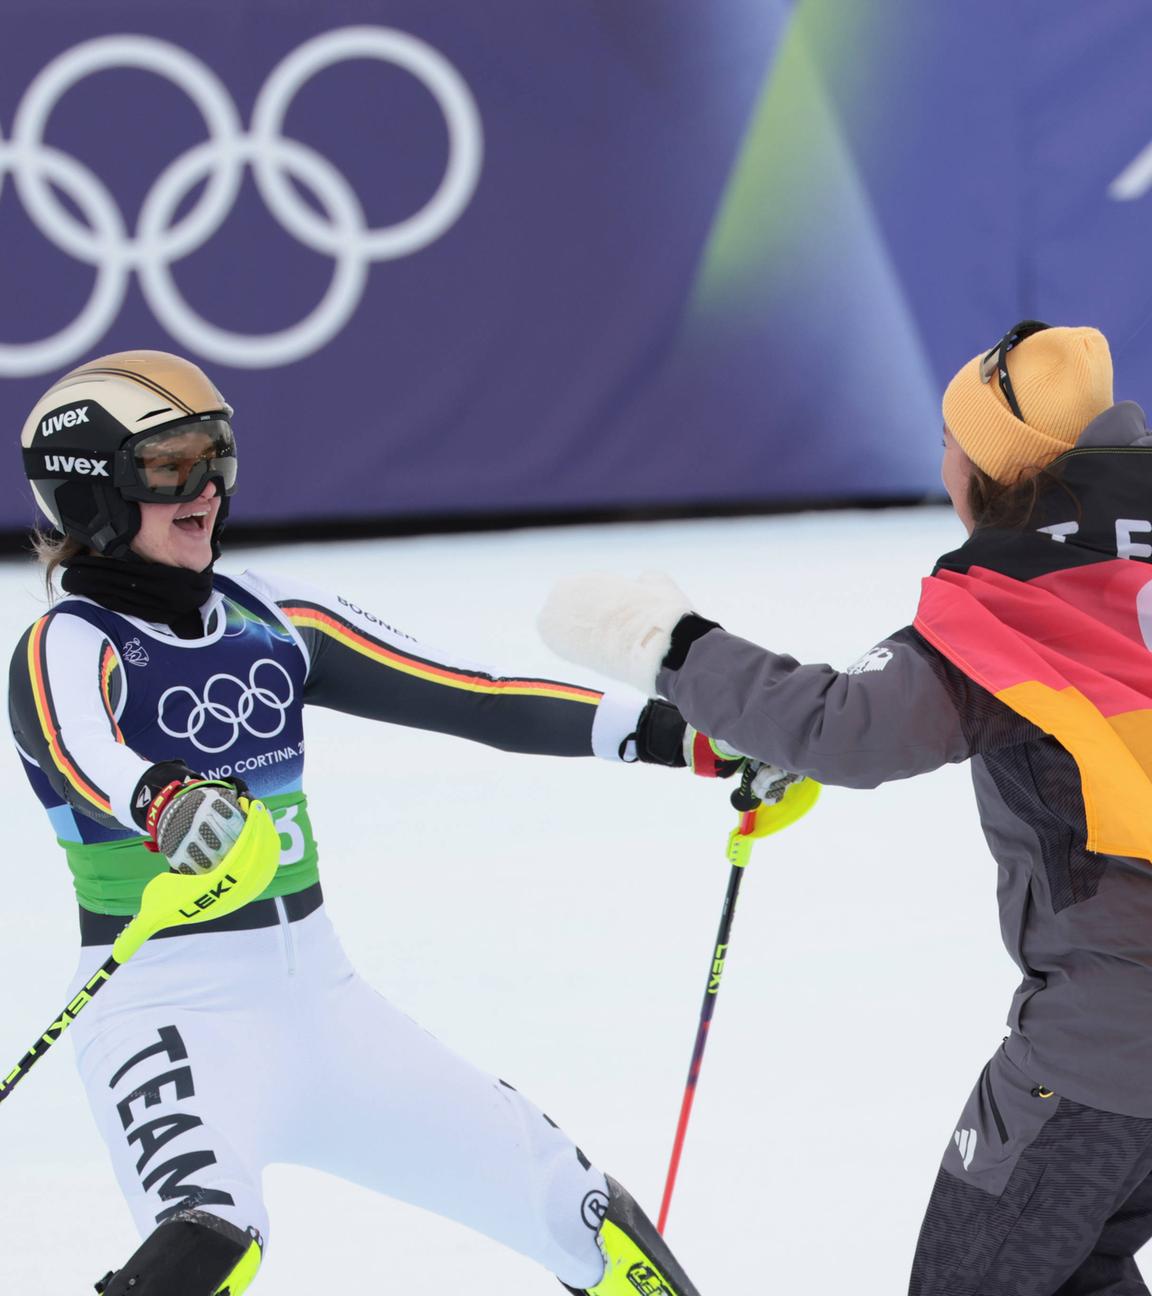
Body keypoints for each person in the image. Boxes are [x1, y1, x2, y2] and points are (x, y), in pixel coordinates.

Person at [8, 350, 738, 1295]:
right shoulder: (67, 643)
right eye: (166, 467)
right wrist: (166, 800)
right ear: (89, 495)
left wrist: (683, 736)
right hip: (162, 1012)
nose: (205, 491)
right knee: (210, 1242)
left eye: (215, 457)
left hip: (324, 1004)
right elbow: (79, 750)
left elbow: (477, 696)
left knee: (576, 1209)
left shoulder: (271, 615)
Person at [539, 321, 1152, 1294]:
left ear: (986, 472)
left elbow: (848, 727)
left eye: (950, 437)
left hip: (1103, 1055)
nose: (939, 455)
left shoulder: (1019, 605)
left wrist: (665, 641)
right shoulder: (1123, 577)